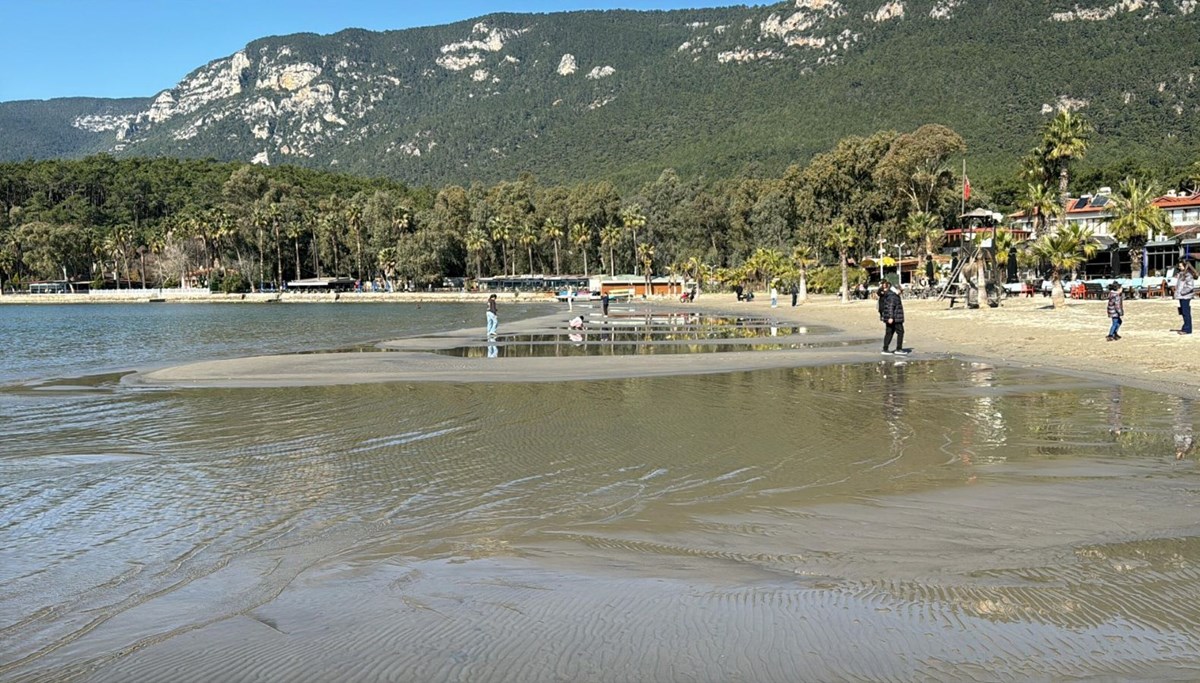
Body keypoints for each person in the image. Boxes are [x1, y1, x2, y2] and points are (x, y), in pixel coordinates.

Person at [878, 280, 908, 355]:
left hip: (892, 317)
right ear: (896, 289)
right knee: (900, 332)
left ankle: (885, 349)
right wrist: (891, 317)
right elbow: (890, 307)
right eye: (901, 290)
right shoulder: (893, 296)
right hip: (895, 318)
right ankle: (898, 349)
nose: (901, 292)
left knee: (889, 332)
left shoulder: (890, 294)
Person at [1176, 259, 1195, 335]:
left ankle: (1187, 329)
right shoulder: (1182, 274)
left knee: (1186, 312)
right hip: (1182, 296)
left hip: (1185, 296)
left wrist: (1182, 292)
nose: (1179, 267)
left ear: (1185, 266)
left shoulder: (1188, 275)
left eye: (1181, 266)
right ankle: (1186, 327)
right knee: (1183, 312)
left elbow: (1190, 286)